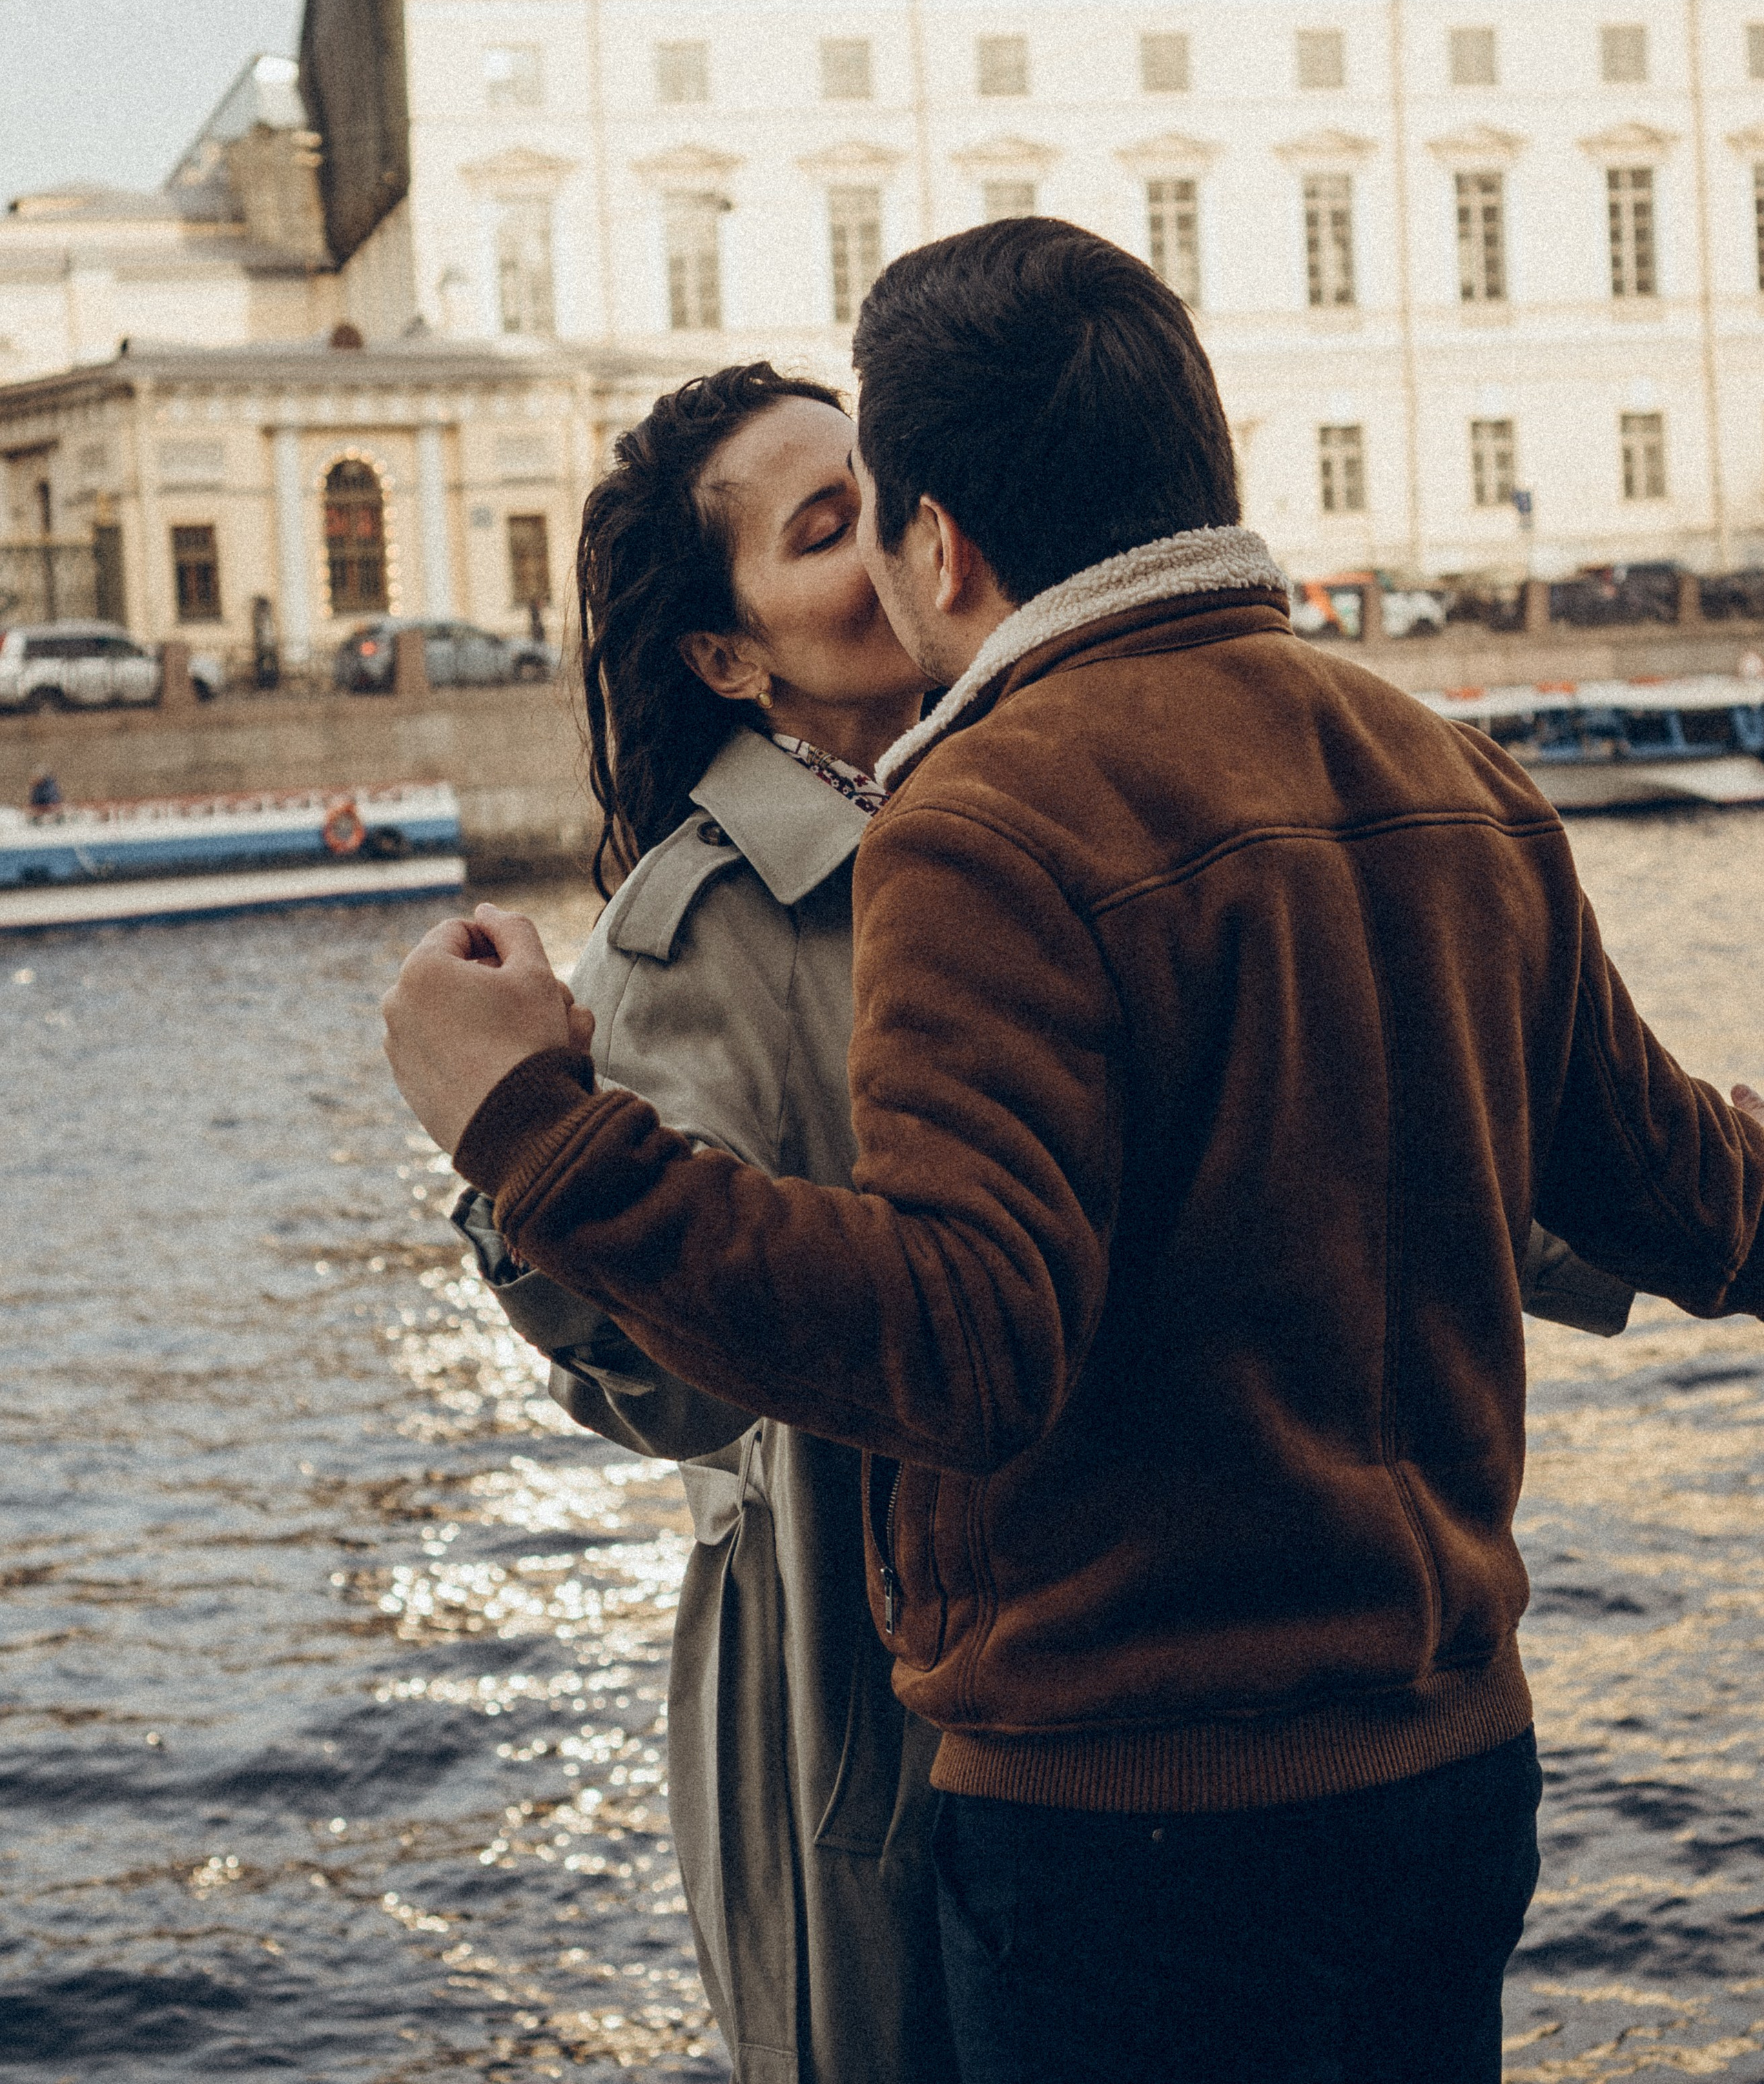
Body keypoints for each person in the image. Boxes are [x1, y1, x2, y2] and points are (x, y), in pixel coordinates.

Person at [386, 220, 1764, 2083]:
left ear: (940, 543)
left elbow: (972, 1344)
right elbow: (1692, 1199)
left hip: (1127, 1805)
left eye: (874, 506)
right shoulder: (1453, 767)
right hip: (1446, 1768)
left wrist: (526, 1136)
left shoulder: (988, 815)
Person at [453, 362, 953, 2084]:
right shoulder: (693, 939)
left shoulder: (1018, 806)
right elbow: (672, 1392)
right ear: (732, 662)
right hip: (853, 1696)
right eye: (825, 529)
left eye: (883, 487)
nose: (888, 536)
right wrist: (517, 1155)